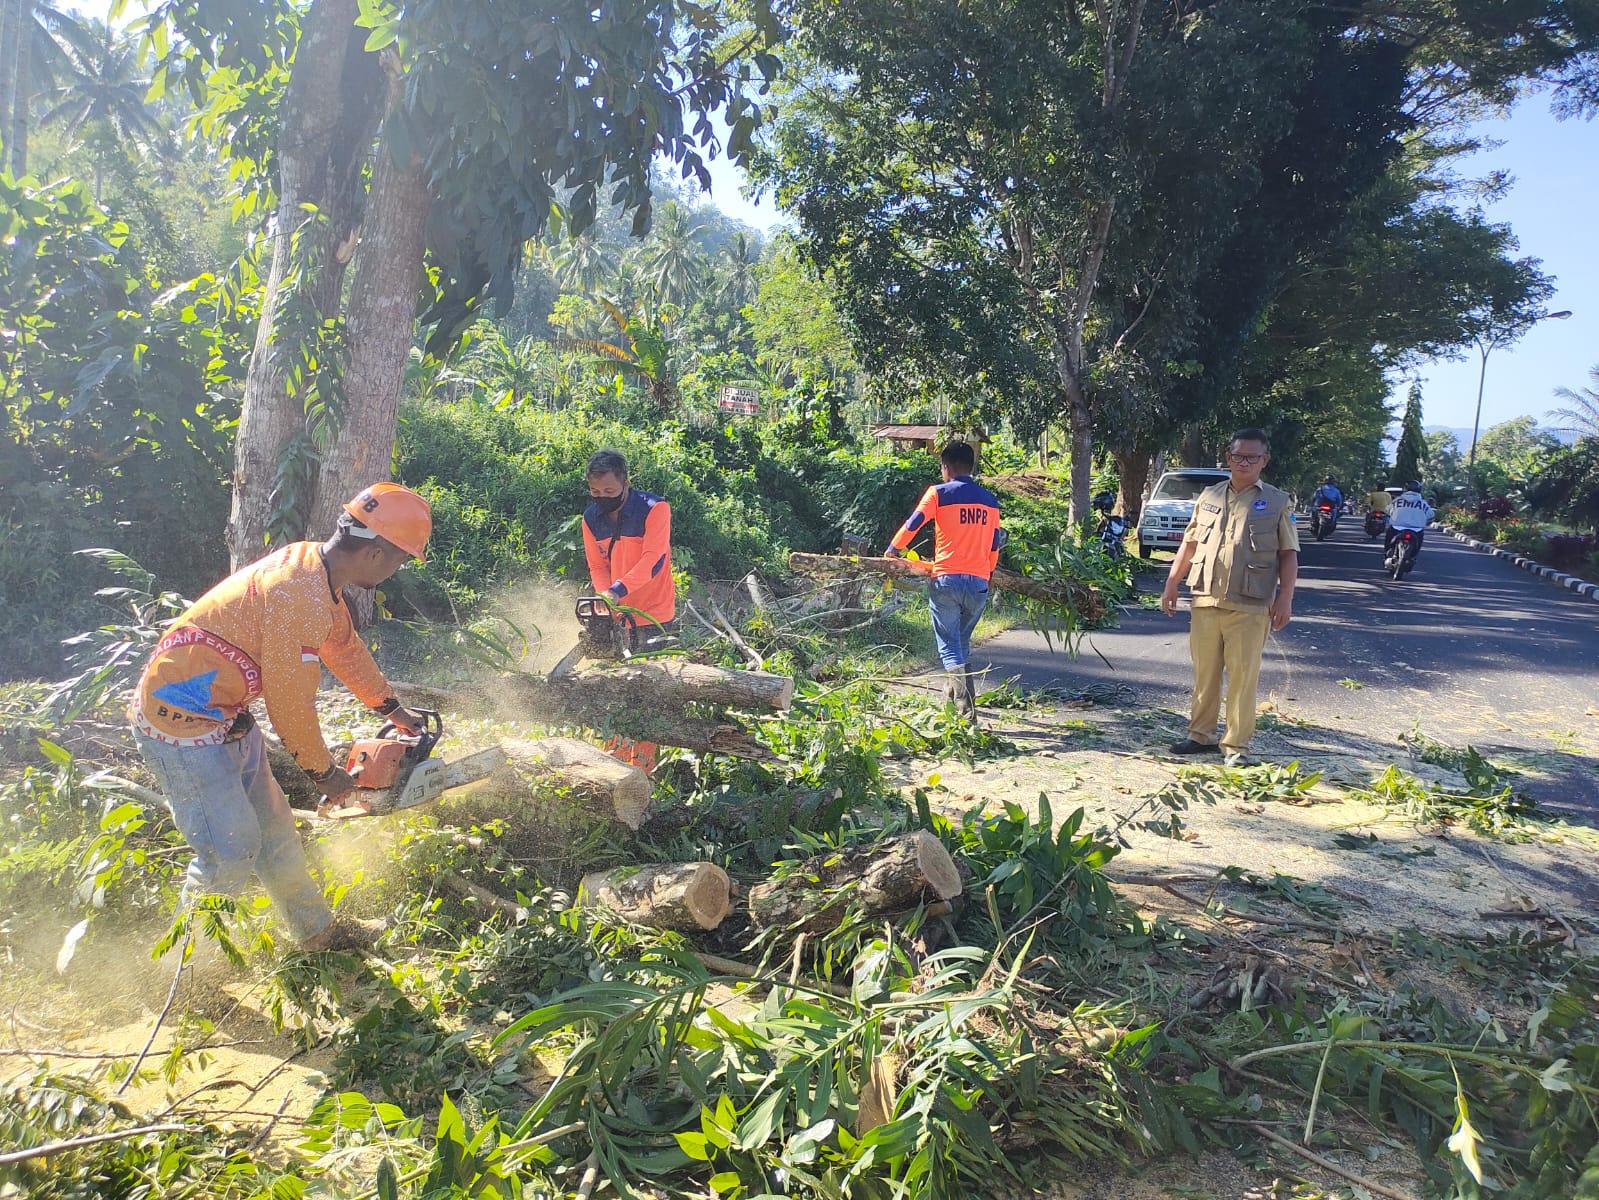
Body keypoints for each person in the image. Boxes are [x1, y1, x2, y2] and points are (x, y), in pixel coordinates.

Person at [131, 483, 433, 952]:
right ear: (376, 553)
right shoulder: (298, 595)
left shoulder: (315, 570)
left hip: (225, 712)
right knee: (230, 851)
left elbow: (345, 649)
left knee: (274, 834)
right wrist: (325, 773)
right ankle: (185, 968)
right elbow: (291, 704)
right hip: (180, 721)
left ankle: (316, 933)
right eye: (400, 560)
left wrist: (391, 709)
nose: (397, 570)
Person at [1160, 429, 1299, 766]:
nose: (1244, 462)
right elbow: (1190, 545)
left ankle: (1236, 747)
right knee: (1204, 674)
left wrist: (1285, 599)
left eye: (1252, 457)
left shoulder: (1278, 502)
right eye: (1238, 456)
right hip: (1206, 599)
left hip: (1250, 605)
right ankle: (1200, 736)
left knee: (1242, 678)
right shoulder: (1208, 496)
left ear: (1265, 460)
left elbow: (1288, 554)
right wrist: (1172, 582)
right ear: (1228, 457)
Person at [885, 441, 1004, 721]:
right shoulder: (990, 501)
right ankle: (952, 703)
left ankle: (965, 711)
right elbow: (995, 544)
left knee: (949, 646)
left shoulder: (938, 493)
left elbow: (914, 523)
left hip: (946, 580)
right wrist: (987, 571)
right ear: (971, 467)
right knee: (961, 642)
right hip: (978, 583)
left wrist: (893, 550)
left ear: (946, 467)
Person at [581, 449, 675, 771]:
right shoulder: (591, 518)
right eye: (595, 492)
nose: (602, 498)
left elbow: (654, 560)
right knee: (614, 690)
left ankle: (644, 771)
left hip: (654, 614)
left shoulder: (654, 509)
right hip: (618, 616)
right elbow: (597, 565)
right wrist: (604, 598)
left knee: (647, 697)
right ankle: (612, 766)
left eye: (609, 491)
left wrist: (616, 591)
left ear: (625, 483)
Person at [1385, 480, 1434, 557]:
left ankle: (1387, 553)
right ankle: (1413, 557)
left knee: (1388, 540)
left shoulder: (1397, 501)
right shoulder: (1423, 503)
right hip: (1416, 530)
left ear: (1406, 489)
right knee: (1418, 545)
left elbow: (1387, 510)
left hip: (1397, 527)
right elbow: (1431, 516)